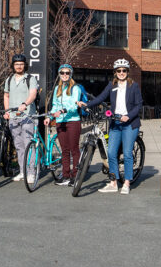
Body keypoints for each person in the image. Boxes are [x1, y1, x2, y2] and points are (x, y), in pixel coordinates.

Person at [82, 58, 142, 195]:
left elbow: (139, 105)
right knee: (111, 153)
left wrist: (129, 115)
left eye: (124, 71)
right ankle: (113, 182)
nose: (121, 73)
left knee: (127, 153)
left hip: (130, 124)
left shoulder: (134, 86)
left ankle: (126, 182)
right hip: (115, 123)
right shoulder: (112, 85)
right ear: (115, 72)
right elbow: (100, 98)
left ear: (127, 72)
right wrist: (86, 104)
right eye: (119, 71)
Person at [46, 64, 87, 185]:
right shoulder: (57, 89)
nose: (64, 75)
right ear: (59, 74)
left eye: (67, 73)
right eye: (62, 73)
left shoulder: (75, 88)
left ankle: (75, 176)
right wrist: (49, 116)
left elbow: (74, 106)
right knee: (64, 150)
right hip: (60, 122)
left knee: (74, 148)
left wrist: (62, 111)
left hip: (73, 120)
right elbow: (54, 105)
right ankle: (66, 176)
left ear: (71, 74)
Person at [3, 53, 39, 182]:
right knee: (19, 146)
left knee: (29, 144)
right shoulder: (9, 79)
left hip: (28, 116)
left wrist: (25, 103)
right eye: (16, 64)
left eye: (21, 64)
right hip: (13, 117)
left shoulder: (30, 79)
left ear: (25, 65)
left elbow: (33, 94)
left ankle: (31, 172)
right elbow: (6, 96)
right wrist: (7, 111)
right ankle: (23, 171)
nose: (19, 66)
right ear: (13, 65)